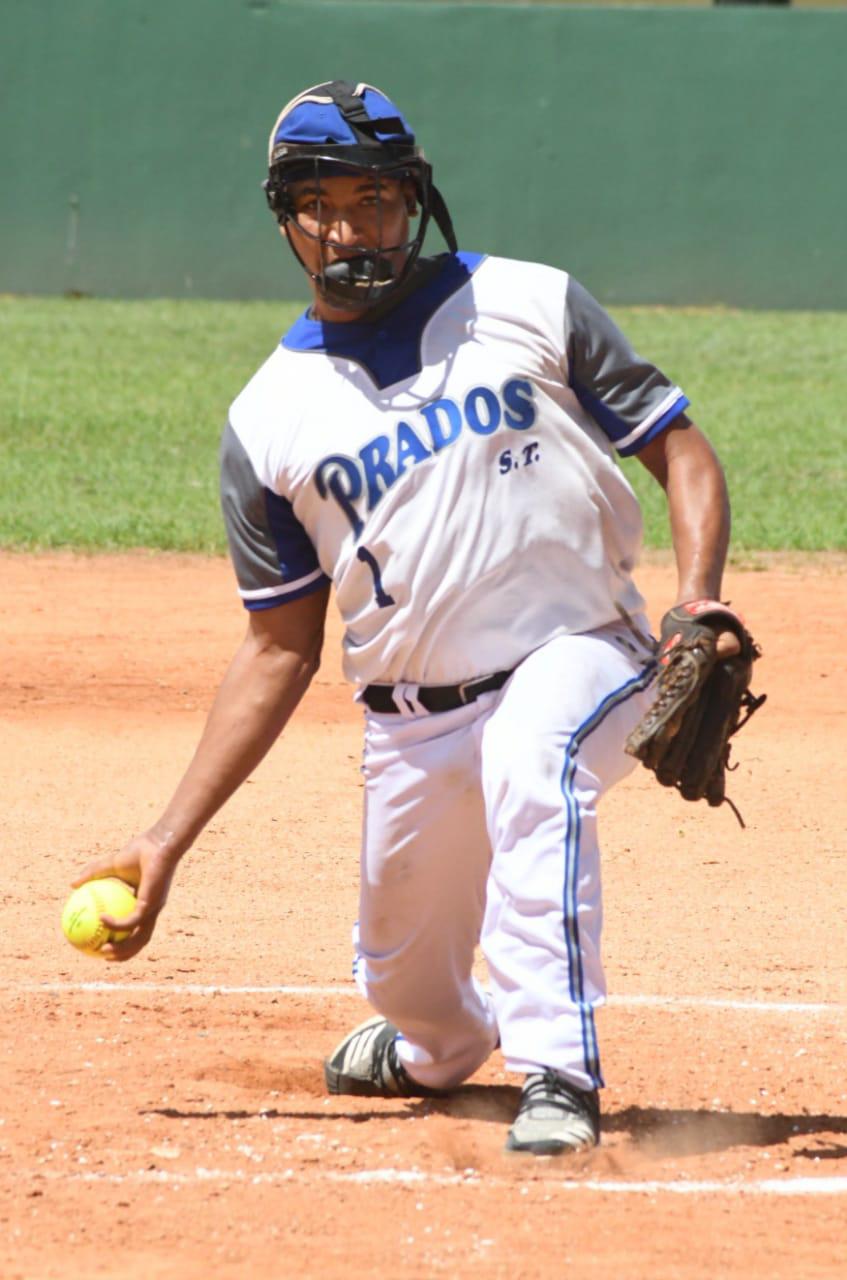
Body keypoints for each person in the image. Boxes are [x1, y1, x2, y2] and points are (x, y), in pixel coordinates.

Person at [74, 80, 742, 1156]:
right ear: (285, 217)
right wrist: (165, 838)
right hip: (413, 724)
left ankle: (557, 1071)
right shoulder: (264, 422)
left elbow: (679, 447)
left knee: (538, 752)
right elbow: (276, 647)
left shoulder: (528, 301)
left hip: (587, 650)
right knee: (403, 982)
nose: (350, 226)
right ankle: (435, 1046)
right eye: (322, 203)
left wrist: (699, 595)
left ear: (415, 201)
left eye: (374, 198)